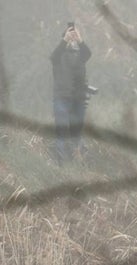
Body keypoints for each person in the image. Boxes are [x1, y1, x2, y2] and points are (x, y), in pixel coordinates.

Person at [50, 21, 92, 164]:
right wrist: (65, 39)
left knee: (77, 132)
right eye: (70, 38)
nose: (72, 41)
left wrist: (80, 39)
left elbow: (87, 53)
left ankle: (80, 161)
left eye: (73, 38)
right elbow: (54, 55)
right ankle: (60, 162)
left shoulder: (81, 56)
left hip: (78, 99)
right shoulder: (58, 56)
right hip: (62, 98)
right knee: (61, 132)